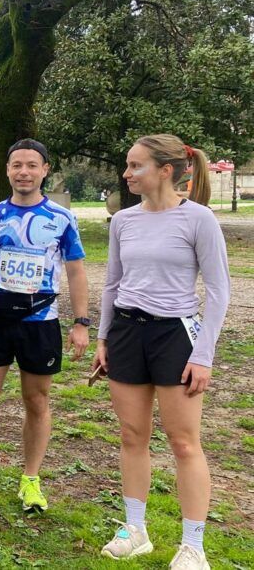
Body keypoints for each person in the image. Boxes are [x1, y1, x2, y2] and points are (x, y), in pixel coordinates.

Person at [95, 135, 229, 570]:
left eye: (135, 166)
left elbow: (220, 291)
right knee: (132, 436)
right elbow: (113, 284)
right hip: (127, 334)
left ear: (166, 170)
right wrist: (103, 338)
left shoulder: (199, 219)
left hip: (175, 337)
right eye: (127, 166)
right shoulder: (123, 221)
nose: (127, 173)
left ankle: (193, 546)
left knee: (184, 443)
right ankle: (135, 530)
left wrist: (203, 355)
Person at [0, 139, 90, 513]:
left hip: (40, 321)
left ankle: (31, 479)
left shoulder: (61, 217)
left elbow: (76, 271)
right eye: (16, 165)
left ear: (45, 170)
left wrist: (82, 322)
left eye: (31, 165)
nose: (23, 172)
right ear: (7, 170)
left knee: (37, 401)